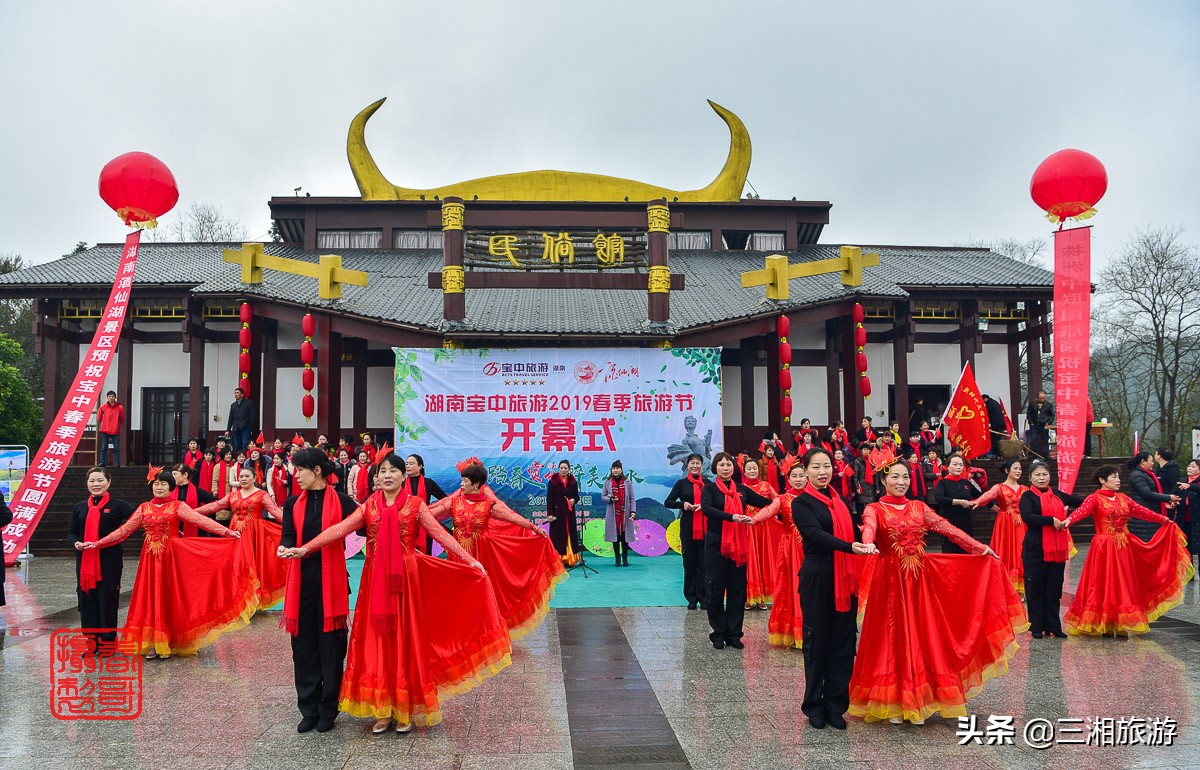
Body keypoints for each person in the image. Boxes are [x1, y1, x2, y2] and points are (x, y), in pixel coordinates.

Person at [281, 452, 510, 734]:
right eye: (382, 471)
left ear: (404, 476)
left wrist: (469, 560)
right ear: (376, 477)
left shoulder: (416, 505)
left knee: (405, 640)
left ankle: (404, 709)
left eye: (393, 470)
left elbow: (441, 534)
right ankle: (384, 709)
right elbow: (339, 529)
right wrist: (306, 548)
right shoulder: (368, 507)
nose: (387, 475)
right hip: (375, 581)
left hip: (405, 582)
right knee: (377, 642)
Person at [849, 459, 1021, 725]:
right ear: (883, 480)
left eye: (905, 477)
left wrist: (979, 548)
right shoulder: (874, 509)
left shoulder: (919, 507)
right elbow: (869, 529)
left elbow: (948, 529)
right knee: (891, 636)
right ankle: (893, 701)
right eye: (895, 477)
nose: (901, 482)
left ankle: (920, 697)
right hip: (891, 583)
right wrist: (867, 544)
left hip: (919, 581)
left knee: (923, 634)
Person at [83, 467, 255, 659]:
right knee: (151, 598)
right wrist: (98, 543)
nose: (159, 487)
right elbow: (123, 531)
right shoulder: (144, 508)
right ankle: (153, 642)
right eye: (156, 484)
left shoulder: (177, 506)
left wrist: (226, 532)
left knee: (170, 597)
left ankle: (169, 640)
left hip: (170, 560)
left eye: (163, 484)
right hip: (149, 561)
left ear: (171, 487)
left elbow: (200, 520)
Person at [428, 459, 565, 637]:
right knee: (459, 592)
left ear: (476, 484)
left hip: (483, 553)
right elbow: (429, 516)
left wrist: (535, 528)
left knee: (482, 592)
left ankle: (485, 628)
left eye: (464, 481)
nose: (461, 484)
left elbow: (512, 517)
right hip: (458, 554)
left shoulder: (488, 504)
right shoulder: (454, 503)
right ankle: (464, 628)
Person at [791, 448, 877, 730]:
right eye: (816, 467)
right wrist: (849, 546)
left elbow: (853, 530)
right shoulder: (802, 503)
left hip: (845, 575)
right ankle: (814, 705)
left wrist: (870, 536)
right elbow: (815, 535)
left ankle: (836, 705)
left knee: (842, 641)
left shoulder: (839, 501)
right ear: (806, 472)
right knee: (817, 641)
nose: (822, 472)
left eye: (826, 466)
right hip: (819, 574)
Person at [276, 448, 358, 734]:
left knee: (330, 646)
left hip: (332, 579)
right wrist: (284, 546)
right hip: (302, 579)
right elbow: (288, 533)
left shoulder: (344, 502)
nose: (296, 475)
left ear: (317, 471)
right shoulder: (291, 504)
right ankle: (308, 707)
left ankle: (328, 707)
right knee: (303, 646)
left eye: (300, 470)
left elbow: (364, 523)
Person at [1062, 464, 1195, 636]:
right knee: (1104, 583)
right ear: (1102, 480)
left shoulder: (1123, 498)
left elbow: (1142, 511)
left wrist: (1163, 520)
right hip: (1104, 547)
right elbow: (1081, 512)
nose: (1118, 480)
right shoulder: (1094, 498)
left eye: (1118, 476)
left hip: (1124, 546)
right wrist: (1068, 521)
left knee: (1123, 583)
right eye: (1113, 477)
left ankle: (1120, 621)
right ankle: (1104, 622)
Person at [700, 452, 779, 650]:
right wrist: (731, 517)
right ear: (715, 469)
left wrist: (785, 501)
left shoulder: (742, 490)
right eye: (721, 465)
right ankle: (718, 633)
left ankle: (734, 634)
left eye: (729, 464)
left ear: (734, 468)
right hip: (716, 544)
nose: (726, 468)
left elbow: (766, 503)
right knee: (715, 589)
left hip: (739, 546)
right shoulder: (709, 490)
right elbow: (707, 509)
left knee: (737, 590)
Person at [196, 467, 288, 608]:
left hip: (254, 534)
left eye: (246, 476)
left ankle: (251, 600)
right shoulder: (233, 495)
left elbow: (275, 512)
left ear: (254, 478)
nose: (243, 479)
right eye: (241, 476)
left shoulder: (261, 494)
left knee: (250, 564)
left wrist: (294, 524)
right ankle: (238, 600)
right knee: (235, 564)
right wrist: (192, 513)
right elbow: (215, 506)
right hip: (234, 533)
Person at [1016, 461, 1085, 639]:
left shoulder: (1058, 495)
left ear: (1049, 476)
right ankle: (1037, 627)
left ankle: (1054, 626)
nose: (1041, 478)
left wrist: (1099, 498)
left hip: (1056, 549)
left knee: (1054, 588)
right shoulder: (1028, 496)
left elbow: (1081, 502)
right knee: (1036, 587)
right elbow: (1027, 517)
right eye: (1037, 475)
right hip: (1035, 548)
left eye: (1044, 474)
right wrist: (1051, 520)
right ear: (1030, 477)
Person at [68, 467, 135, 646]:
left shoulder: (118, 505)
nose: (95, 484)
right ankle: (91, 641)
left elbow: (137, 520)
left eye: (100, 480)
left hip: (109, 559)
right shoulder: (79, 507)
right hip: (85, 559)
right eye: (92, 481)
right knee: (87, 598)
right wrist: (75, 542)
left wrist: (120, 536)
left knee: (107, 599)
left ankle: (107, 642)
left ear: (108, 482)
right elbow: (72, 532)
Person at [762, 461, 806, 648]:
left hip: (811, 547)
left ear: (807, 478)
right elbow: (769, 511)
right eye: (794, 476)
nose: (798, 479)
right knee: (790, 586)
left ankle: (811, 630)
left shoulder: (816, 497)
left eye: (801, 476)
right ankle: (793, 631)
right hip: (789, 549)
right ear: (788, 479)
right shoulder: (782, 498)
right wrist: (752, 519)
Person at [972, 458, 1028, 594]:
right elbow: (988, 495)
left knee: (1021, 551)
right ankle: (1006, 586)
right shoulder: (999, 487)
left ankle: (1021, 589)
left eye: (1020, 469)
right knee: (1006, 550)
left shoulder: (1024, 489)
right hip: (1005, 523)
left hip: (1022, 524)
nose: (1018, 471)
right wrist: (977, 501)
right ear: (1007, 470)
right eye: (1015, 468)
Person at [664, 453, 707, 610]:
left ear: (702, 466)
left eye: (698, 463)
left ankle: (704, 597)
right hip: (688, 527)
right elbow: (668, 502)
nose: (695, 466)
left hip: (705, 528)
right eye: (692, 463)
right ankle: (691, 598)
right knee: (689, 563)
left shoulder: (708, 484)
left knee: (704, 564)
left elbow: (716, 503)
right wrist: (683, 505)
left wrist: (704, 506)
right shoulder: (681, 484)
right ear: (687, 465)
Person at [739, 456, 782, 609]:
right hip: (746, 528)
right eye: (749, 468)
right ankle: (749, 597)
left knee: (763, 561)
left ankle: (762, 597)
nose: (752, 470)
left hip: (764, 529)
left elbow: (778, 502)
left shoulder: (766, 485)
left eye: (754, 468)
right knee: (750, 561)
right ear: (744, 471)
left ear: (759, 470)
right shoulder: (741, 488)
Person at [932, 453, 981, 554]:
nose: (958, 467)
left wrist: (999, 509)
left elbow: (981, 497)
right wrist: (959, 502)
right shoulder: (943, 483)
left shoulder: (966, 483)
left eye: (961, 465)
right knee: (950, 553)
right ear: (948, 466)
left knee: (966, 553)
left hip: (966, 523)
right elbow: (939, 498)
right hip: (949, 524)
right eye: (955, 464)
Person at [1128, 451, 1180, 541]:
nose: (1153, 463)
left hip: (1151, 512)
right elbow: (1147, 493)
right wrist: (1168, 497)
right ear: (1143, 461)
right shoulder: (1137, 475)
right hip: (1143, 516)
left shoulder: (1147, 474)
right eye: (1151, 461)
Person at [404, 453, 448, 555]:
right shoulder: (401, 484)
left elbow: (445, 499)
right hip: (405, 524)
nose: (408, 466)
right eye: (407, 464)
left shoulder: (429, 483)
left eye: (411, 463)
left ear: (420, 466)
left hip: (425, 522)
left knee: (426, 553)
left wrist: (432, 510)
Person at [601, 460, 636, 567]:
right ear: (611, 470)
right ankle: (617, 558)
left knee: (625, 537)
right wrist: (611, 499)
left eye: (617, 468)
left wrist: (633, 511)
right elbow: (603, 496)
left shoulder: (627, 482)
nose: (615, 470)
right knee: (614, 536)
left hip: (625, 514)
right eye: (614, 468)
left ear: (621, 470)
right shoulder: (607, 482)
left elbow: (632, 498)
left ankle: (625, 558)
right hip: (613, 514)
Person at [547, 460, 581, 563]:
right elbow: (550, 499)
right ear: (558, 469)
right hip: (557, 513)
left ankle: (570, 559)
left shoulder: (573, 481)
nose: (563, 470)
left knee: (570, 533)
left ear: (569, 469)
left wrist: (574, 500)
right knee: (558, 535)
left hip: (569, 513)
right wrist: (550, 514)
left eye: (565, 468)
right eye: (561, 468)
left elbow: (576, 496)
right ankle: (558, 560)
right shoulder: (553, 481)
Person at [172, 463, 218, 537]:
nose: (172, 477)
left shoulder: (197, 491)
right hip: (175, 528)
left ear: (185, 475)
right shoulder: (170, 491)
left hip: (194, 528)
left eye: (174, 474)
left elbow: (216, 502)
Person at [1177, 459, 1200, 559]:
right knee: (1187, 548)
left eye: (1193, 466)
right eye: (1189, 466)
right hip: (1184, 519)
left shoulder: (1194, 484)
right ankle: (1190, 574)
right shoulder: (1183, 481)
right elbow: (1174, 493)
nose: (1189, 468)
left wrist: (1191, 486)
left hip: (1197, 519)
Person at [97, 391, 125, 467]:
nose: (111, 398)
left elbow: (122, 418)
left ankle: (117, 463)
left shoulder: (119, 407)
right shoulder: (103, 407)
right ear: (107, 397)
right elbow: (99, 417)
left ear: (115, 397)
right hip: (104, 430)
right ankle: (102, 462)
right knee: (103, 447)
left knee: (116, 447)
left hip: (115, 430)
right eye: (109, 396)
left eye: (113, 396)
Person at [1025, 390, 1055, 459]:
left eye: (1043, 398)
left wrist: (1049, 422)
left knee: (1045, 439)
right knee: (1033, 439)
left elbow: (1052, 415)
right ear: (1037, 398)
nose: (1042, 400)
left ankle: (1046, 455)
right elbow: (1029, 414)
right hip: (1034, 424)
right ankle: (1034, 454)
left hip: (1044, 424)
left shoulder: (1049, 405)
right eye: (1040, 398)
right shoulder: (1032, 404)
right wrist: (1031, 423)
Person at [227, 387, 255, 455]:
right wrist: (228, 429)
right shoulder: (233, 405)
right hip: (236, 427)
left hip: (246, 426)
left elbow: (252, 415)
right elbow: (231, 417)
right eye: (235, 393)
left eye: (237, 393)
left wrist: (251, 427)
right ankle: (239, 458)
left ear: (242, 394)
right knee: (237, 445)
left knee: (245, 443)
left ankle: (245, 457)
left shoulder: (248, 403)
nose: (236, 394)